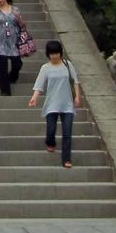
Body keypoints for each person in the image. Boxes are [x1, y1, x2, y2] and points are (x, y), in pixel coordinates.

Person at [29, 40, 82, 169]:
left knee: (67, 132)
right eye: (52, 53)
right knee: (51, 129)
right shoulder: (45, 68)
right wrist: (34, 98)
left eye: (56, 53)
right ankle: (50, 142)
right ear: (48, 54)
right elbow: (39, 85)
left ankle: (66, 159)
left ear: (60, 53)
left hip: (67, 104)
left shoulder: (68, 65)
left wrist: (77, 97)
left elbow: (75, 81)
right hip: (52, 103)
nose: (54, 56)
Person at [0, 0, 28, 96]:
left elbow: (22, 25)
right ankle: (5, 90)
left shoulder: (15, 9)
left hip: (14, 42)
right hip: (0, 42)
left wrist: (19, 19)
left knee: (17, 63)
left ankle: (12, 78)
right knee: (2, 67)